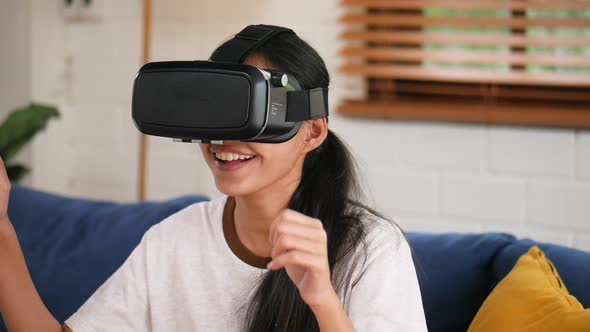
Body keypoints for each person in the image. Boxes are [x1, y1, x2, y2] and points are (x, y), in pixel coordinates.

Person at [0, 26, 427, 331]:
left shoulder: (371, 251)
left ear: (312, 131)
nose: (224, 138)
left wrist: (322, 301)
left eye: (250, 113)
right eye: (216, 111)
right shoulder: (172, 242)